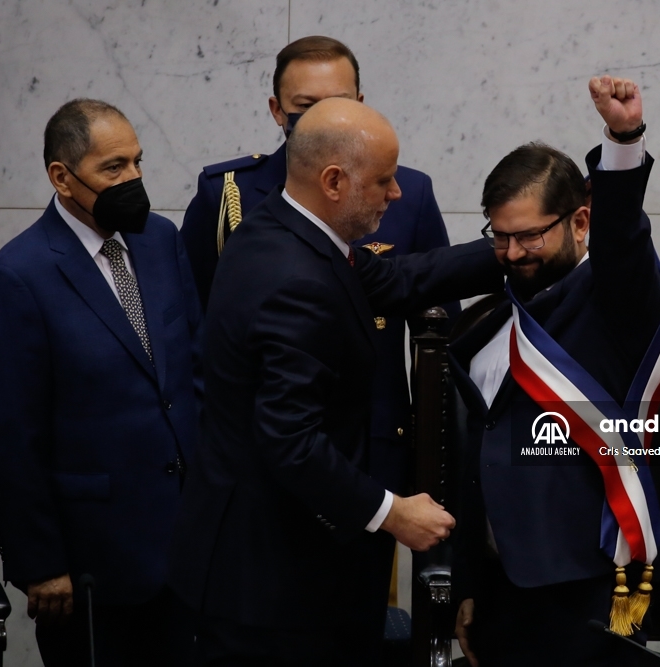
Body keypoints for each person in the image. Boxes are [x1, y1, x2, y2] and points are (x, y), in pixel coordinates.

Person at [169, 97, 503, 666]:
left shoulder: (282, 230)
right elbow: (290, 441)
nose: (396, 194)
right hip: (275, 587)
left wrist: (509, 248)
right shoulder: (293, 280)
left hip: (270, 566)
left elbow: (395, 278)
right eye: (384, 181)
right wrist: (391, 513)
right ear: (333, 181)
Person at [450, 77, 660, 666]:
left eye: (529, 235)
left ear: (581, 223)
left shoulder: (617, 307)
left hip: (584, 586)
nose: (512, 253)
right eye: (499, 237)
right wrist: (469, 583)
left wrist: (623, 141)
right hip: (501, 588)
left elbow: (626, 240)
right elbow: (475, 463)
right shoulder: (488, 323)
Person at [0, 98, 202, 666]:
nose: (135, 179)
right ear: (62, 176)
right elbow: (13, 439)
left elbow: (194, 370)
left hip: (187, 545)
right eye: (114, 168)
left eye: (138, 162)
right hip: (92, 563)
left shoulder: (161, 240)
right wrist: (41, 564)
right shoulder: (18, 276)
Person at [181, 35, 457, 499]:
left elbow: (439, 331)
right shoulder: (229, 195)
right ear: (277, 110)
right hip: (263, 453)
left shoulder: (406, 193)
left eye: (339, 103)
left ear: (362, 104)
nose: (325, 119)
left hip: (375, 445)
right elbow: (196, 333)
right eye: (305, 107)